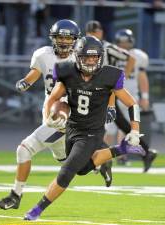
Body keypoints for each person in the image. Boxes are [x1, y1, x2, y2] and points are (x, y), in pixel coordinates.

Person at [0, 20, 112, 210]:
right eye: (61, 37)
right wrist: (25, 82)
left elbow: (101, 84)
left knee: (24, 149)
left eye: (68, 38)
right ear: (53, 38)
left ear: (75, 40)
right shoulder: (43, 55)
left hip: (69, 113)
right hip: (50, 109)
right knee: (64, 159)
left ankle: (15, 195)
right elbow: (36, 72)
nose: (64, 42)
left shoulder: (80, 58)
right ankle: (99, 161)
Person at [24, 36, 145, 221]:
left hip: (92, 131)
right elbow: (53, 98)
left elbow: (132, 103)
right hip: (71, 128)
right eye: (87, 57)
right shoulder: (67, 71)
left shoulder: (109, 75)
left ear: (100, 57)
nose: (91, 61)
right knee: (81, 170)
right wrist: (49, 118)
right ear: (77, 57)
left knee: (67, 171)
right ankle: (121, 149)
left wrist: (134, 130)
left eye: (95, 57)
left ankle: (36, 210)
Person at [86, 20, 157, 172]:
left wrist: (122, 78)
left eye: (95, 32)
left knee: (100, 125)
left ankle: (98, 160)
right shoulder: (84, 45)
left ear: (101, 33)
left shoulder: (108, 47)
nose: (92, 35)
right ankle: (146, 152)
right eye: (89, 32)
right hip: (95, 91)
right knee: (120, 124)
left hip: (105, 91)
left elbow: (131, 59)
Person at [104, 28, 157, 170]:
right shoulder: (111, 52)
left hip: (129, 95)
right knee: (115, 127)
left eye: (127, 42)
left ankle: (114, 157)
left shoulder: (136, 56)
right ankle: (144, 153)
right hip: (114, 94)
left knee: (124, 128)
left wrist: (145, 96)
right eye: (121, 43)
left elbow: (141, 76)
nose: (124, 45)